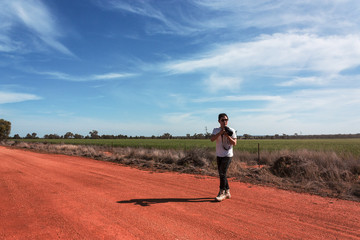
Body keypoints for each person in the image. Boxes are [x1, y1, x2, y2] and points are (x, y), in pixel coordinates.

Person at [210, 113, 237, 202]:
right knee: (222, 174)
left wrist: (227, 136)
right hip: (219, 155)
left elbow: (234, 143)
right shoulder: (215, 130)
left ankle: (221, 193)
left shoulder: (231, 130)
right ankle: (228, 192)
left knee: (222, 173)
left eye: (226, 120)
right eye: (222, 120)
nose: (224, 121)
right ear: (219, 121)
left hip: (228, 155)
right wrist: (220, 133)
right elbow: (212, 139)